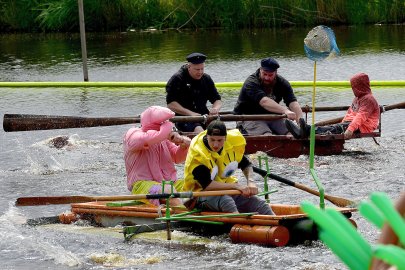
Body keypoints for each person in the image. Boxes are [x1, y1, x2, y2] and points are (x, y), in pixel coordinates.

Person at [182, 120, 274, 214]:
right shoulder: (198, 154)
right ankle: (239, 224)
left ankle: (277, 223)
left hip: (226, 189)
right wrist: (235, 186)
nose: (215, 144)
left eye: (219, 140)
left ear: (225, 138)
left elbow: (246, 164)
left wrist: (250, 182)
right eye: (212, 140)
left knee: (260, 204)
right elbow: (207, 185)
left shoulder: (231, 143)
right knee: (226, 201)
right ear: (207, 136)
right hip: (198, 195)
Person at [123, 106, 191, 207]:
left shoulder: (164, 138)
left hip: (170, 183)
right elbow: (148, 139)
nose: (165, 124)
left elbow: (177, 157)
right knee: (168, 190)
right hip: (142, 185)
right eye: (162, 122)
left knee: (196, 184)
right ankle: (186, 216)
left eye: (165, 122)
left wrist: (183, 143)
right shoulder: (132, 135)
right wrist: (168, 129)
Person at [285, 72, 380, 140]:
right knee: (335, 127)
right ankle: (305, 131)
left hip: (364, 126)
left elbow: (361, 116)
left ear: (360, 87)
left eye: (354, 87)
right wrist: (344, 123)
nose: (352, 90)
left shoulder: (369, 100)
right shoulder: (358, 98)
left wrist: (350, 129)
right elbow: (350, 113)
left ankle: (307, 130)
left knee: (336, 129)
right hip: (353, 124)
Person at [233, 57, 304, 135]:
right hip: (249, 117)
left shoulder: (283, 83)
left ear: (276, 73)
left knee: (293, 134)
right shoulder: (251, 82)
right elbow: (264, 102)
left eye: (270, 75)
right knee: (268, 136)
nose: (267, 78)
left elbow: (292, 102)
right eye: (264, 74)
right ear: (260, 70)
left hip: (273, 117)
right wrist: (285, 110)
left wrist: (301, 122)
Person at [166, 52, 222, 133]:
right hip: (184, 118)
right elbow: (170, 104)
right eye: (197, 69)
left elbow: (217, 99)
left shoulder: (206, 78)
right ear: (189, 67)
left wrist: (215, 109)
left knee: (219, 130)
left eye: (202, 69)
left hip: (203, 116)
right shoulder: (177, 79)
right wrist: (191, 113)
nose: (200, 72)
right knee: (199, 130)